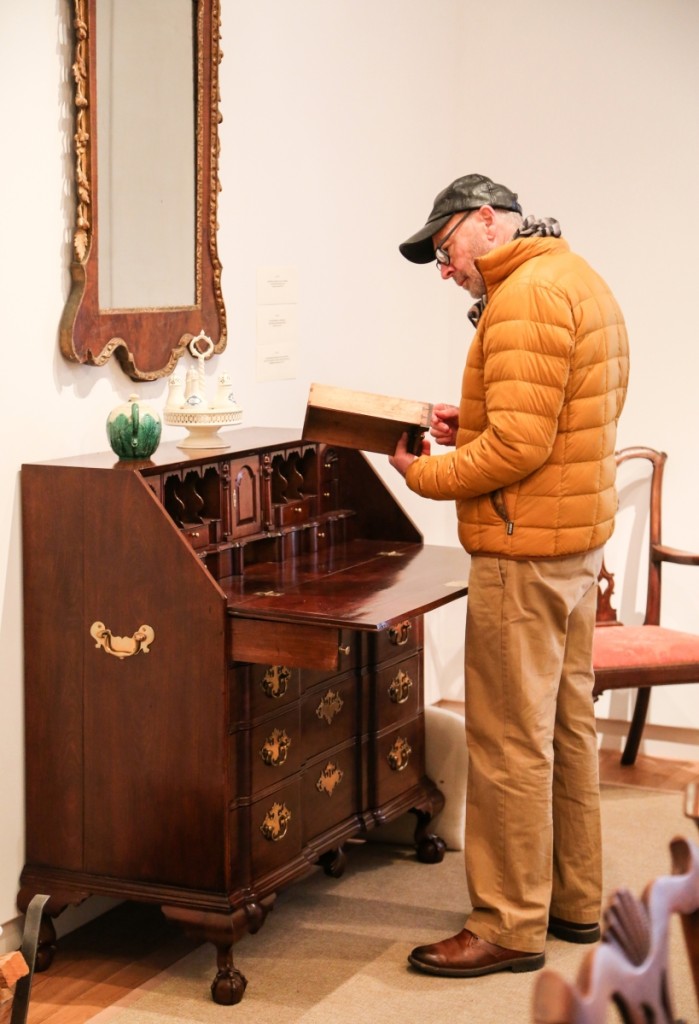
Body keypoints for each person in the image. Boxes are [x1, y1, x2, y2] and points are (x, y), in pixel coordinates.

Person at [389, 173, 629, 978]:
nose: (442, 267)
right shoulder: (574, 275)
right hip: (571, 544)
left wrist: (422, 474)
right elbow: (555, 421)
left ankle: (506, 925)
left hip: (521, 551)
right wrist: (479, 419)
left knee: (505, 743)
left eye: (444, 246)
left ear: (484, 222)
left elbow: (519, 451)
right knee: (562, 731)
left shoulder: (523, 297)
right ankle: (571, 902)